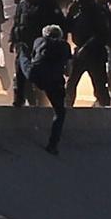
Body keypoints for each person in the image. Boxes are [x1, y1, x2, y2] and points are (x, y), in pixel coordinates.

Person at [10, 0, 65, 107]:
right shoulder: (22, 4)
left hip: (42, 50)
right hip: (24, 47)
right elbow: (17, 22)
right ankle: (20, 101)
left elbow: (59, 26)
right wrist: (14, 40)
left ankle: (41, 106)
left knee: (40, 80)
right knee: (20, 77)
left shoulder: (49, 4)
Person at [63, 0, 111, 107]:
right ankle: (67, 109)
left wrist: (86, 47)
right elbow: (66, 28)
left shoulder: (98, 11)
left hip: (95, 55)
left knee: (100, 86)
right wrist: (69, 15)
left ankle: (106, 110)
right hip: (79, 54)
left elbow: (102, 34)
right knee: (71, 84)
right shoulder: (77, 11)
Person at [27, 25, 71, 155]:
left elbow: (34, 58)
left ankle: (20, 99)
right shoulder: (65, 46)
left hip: (36, 76)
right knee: (60, 112)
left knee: (22, 60)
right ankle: (53, 145)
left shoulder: (38, 41)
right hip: (54, 81)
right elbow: (68, 70)